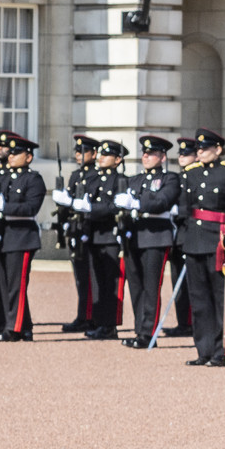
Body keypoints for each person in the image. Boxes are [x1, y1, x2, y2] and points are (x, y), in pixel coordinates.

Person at [175, 129, 225, 366]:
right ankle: (203, 350)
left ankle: (219, 351)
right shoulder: (190, 174)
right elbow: (185, 209)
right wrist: (184, 240)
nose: (200, 152)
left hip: (220, 242)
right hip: (195, 242)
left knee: (220, 299)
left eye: (205, 148)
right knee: (198, 300)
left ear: (218, 150)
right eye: (198, 149)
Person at [0, 132, 46, 341]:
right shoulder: (2, 177)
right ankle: (24, 326)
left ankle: (14, 328)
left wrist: (3, 206)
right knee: (5, 284)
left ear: (28, 157)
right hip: (2, 235)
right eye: (10, 153)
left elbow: (30, 207)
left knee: (16, 285)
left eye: (16, 153)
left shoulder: (33, 179)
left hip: (21, 237)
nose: (11, 156)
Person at [119, 136, 180, 348]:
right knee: (135, 287)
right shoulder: (134, 180)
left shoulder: (170, 179)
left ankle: (148, 333)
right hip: (133, 236)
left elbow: (162, 201)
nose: (145, 156)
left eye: (151, 153)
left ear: (162, 157)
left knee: (151, 287)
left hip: (155, 235)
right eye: (144, 153)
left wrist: (136, 202)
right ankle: (139, 330)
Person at [78, 140, 129, 340]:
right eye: (101, 154)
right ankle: (99, 322)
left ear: (117, 160)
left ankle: (110, 324)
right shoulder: (92, 179)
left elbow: (114, 207)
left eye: (107, 155)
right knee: (97, 282)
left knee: (111, 283)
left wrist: (91, 209)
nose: (101, 158)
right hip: (93, 236)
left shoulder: (121, 181)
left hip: (111, 236)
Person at [57, 135, 98, 333]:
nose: (78, 155)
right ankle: (83, 315)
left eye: (83, 152)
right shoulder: (75, 176)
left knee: (91, 277)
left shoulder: (96, 175)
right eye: (76, 152)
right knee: (80, 276)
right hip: (76, 230)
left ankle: (91, 316)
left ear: (94, 154)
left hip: (90, 230)